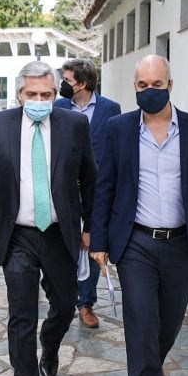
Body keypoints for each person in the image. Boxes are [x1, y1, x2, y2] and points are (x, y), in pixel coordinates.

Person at [90, 55, 188, 376]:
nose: (149, 90)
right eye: (142, 85)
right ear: (135, 87)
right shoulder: (119, 129)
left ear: (171, 84)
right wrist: (100, 239)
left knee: (168, 323)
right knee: (141, 324)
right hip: (137, 244)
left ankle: (152, 368)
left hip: (182, 245)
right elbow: (105, 186)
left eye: (156, 83)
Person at [0, 60, 97, 376]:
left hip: (60, 233)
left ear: (55, 94)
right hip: (18, 235)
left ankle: (50, 345)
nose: (39, 100)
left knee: (64, 305)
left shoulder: (74, 125)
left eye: (46, 94)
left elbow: (89, 179)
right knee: (21, 316)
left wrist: (91, 227)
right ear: (20, 94)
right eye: (32, 94)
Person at [54, 58, 121, 328]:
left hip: (98, 188)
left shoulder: (110, 109)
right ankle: (63, 296)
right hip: (64, 188)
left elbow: (116, 146)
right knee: (62, 245)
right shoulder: (58, 107)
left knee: (94, 243)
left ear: (82, 83)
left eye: (67, 80)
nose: (63, 85)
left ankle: (86, 303)